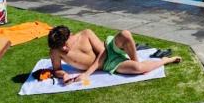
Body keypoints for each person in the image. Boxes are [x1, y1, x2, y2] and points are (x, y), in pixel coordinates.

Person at [48, 26, 181, 84]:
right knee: (138, 69)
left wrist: (87, 74)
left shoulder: (85, 34)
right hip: (108, 64)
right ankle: (166, 60)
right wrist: (64, 75)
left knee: (125, 34)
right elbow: (57, 70)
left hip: (108, 52)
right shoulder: (56, 50)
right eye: (60, 47)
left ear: (70, 35)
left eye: (65, 44)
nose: (64, 49)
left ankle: (137, 61)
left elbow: (103, 52)